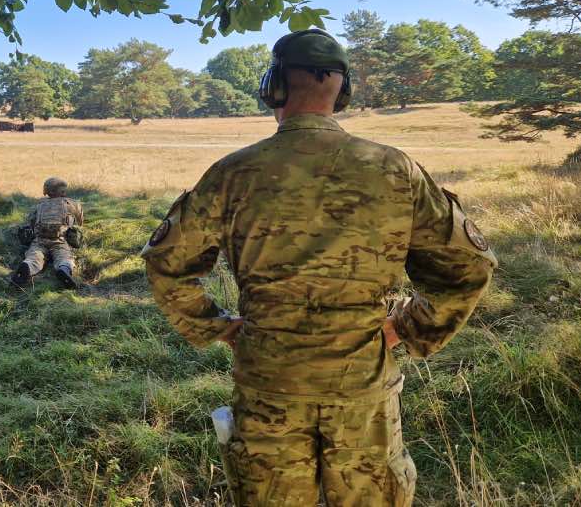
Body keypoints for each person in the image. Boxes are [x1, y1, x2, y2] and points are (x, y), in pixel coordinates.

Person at [141, 29, 496, 506]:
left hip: (270, 380)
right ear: (343, 91)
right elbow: (467, 266)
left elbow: (168, 262)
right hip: (363, 384)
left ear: (274, 88)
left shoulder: (233, 173)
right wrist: (406, 328)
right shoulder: (393, 168)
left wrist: (216, 327)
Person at [9, 177, 84, 290]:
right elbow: (80, 222)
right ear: (55, 191)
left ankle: (27, 267)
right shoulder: (72, 204)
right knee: (64, 257)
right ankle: (63, 269)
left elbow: (31, 223)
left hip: (39, 240)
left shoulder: (40, 205)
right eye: (63, 191)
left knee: (34, 257)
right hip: (61, 240)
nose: (65, 193)